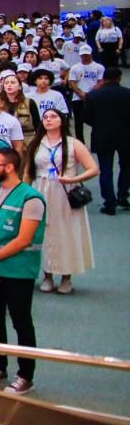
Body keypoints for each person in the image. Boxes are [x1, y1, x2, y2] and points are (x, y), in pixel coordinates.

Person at [0, 146, 45, 395]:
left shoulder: (31, 198)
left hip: (17, 271)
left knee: (21, 321)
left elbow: (24, 239)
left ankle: (26, 375)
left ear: (10, 167)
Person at [23, 109, 96, 295]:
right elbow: (28, 173)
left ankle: (66, 277)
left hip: (65, 192)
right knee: (44, 232)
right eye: (46, 117)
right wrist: (24, 195)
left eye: (53, 117)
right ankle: (47, 275)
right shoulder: (37, 144)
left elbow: (93, 169)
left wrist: (71, 180)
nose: (48, 120)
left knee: (66, 232)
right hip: (41, 189)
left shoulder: (73, 144)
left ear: (62, 121)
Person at [81, 66, 130, 214]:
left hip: (102, 135)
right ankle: (122, 194)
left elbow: (85, 116)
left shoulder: (94, 95)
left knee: (106, 169)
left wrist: (99, 124)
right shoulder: (127, 93)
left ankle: (110, 202)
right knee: (126, 167)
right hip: (125, 135)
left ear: (104, 77)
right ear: (119, 77)